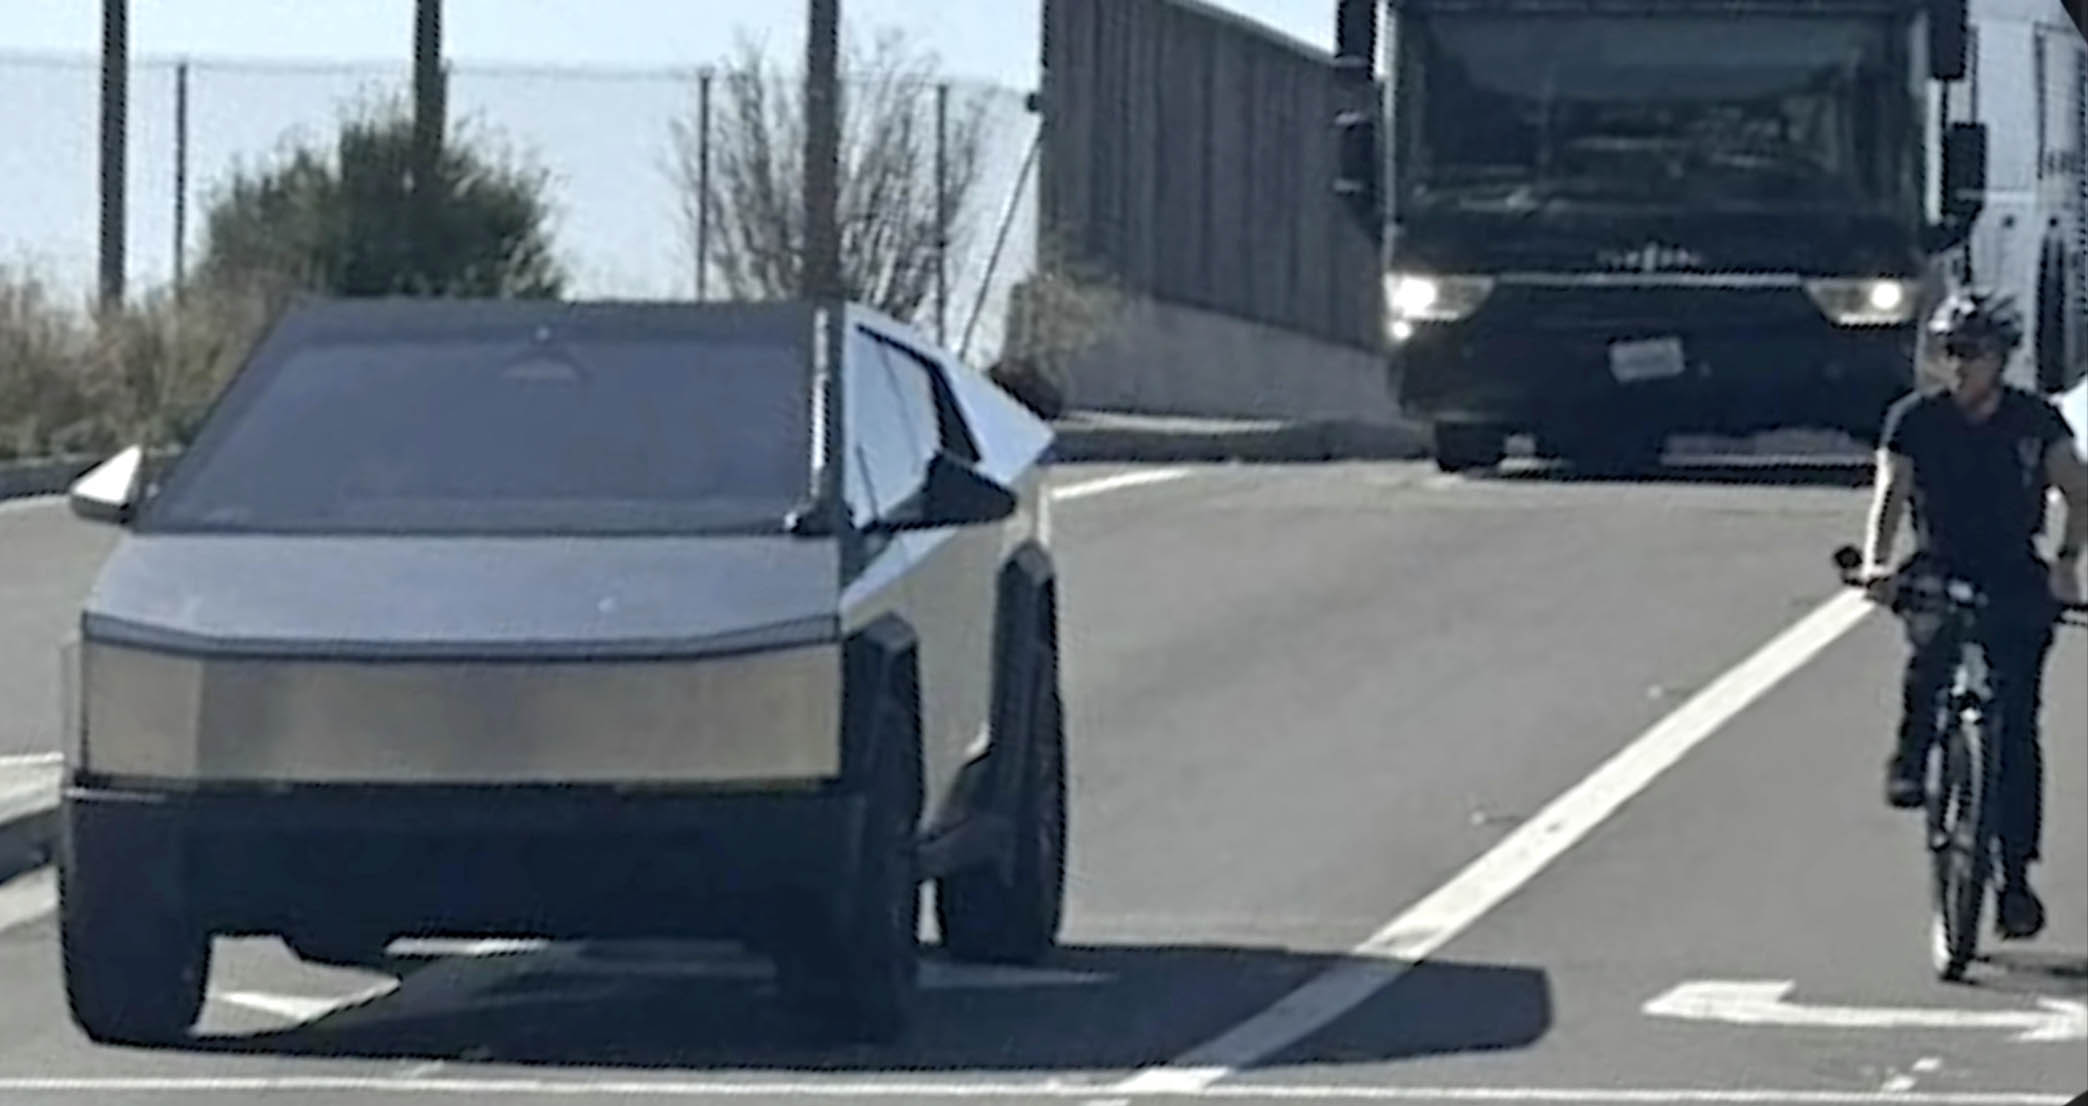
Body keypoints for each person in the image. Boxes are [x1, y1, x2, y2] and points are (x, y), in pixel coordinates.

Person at [1858, 289, 2088, 940]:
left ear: (2002, 359)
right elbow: (1890, 494)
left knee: (2016, 724)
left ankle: (2014, 877)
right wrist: (1878, 563)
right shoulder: (1915, 419)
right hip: (1939, 563)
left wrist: (2068, 561)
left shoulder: (2035, 422)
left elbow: (2079, 492)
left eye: (1972, 353)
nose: (1958, 365)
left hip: (2014, 570)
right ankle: (1909, 761)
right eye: (1949, 351)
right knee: (1930, 649)